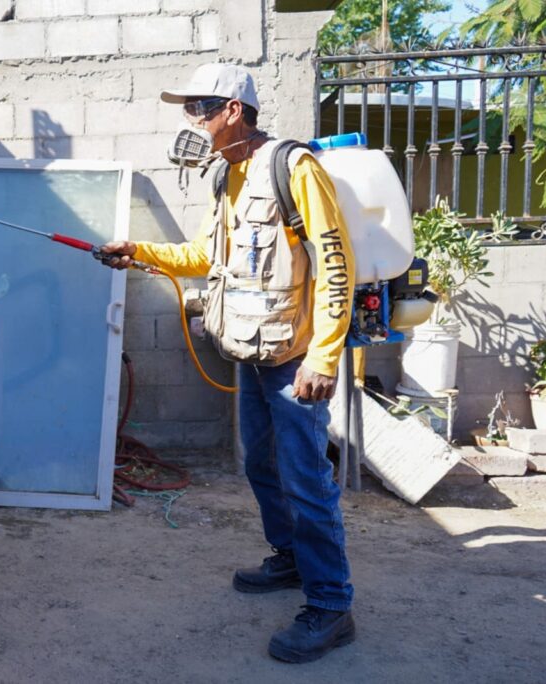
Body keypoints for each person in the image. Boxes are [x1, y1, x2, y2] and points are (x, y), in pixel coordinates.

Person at [100, 63, 357, 664]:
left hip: (295, 361)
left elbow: (336, 264)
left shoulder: (294, 169)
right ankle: (291, 559)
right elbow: (202, 255)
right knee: (262, 468)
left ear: (233, 110)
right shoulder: (228, 177)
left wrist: (323, 357)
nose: (191, 121)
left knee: (307, 480)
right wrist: (138, 252)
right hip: (249, 351)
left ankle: (331, 604)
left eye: (199, 109)